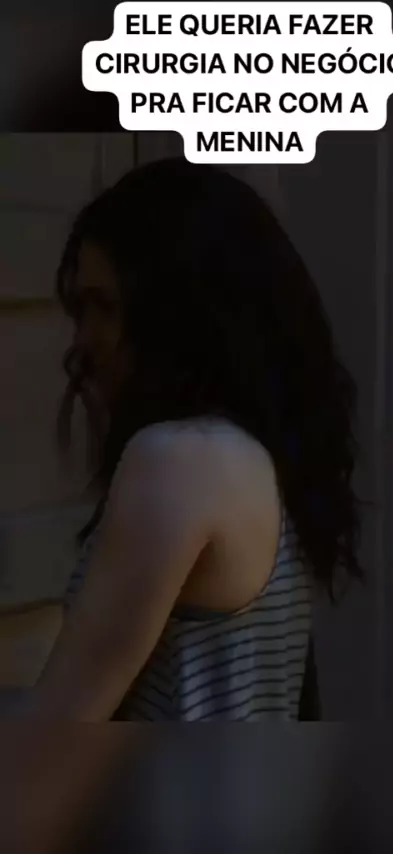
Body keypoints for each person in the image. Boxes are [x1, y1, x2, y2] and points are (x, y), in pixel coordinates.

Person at [20, 157, 361, 722]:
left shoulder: (178, 459)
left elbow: (55, 734)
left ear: (182, 309)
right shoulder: (255, 455)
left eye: (104, 306)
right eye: (81, 309)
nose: (83, 339)